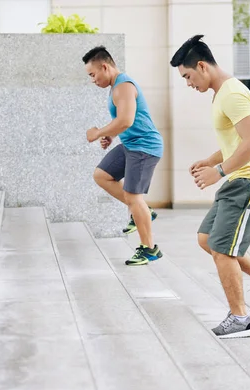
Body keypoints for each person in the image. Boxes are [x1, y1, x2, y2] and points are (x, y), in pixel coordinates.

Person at [170, 35, 250, 338]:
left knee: (222, 250)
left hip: (249, 182)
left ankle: (241, 319)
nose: (188, 83)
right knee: (207, 239)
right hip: (238, 180)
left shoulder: (233, 93)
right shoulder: (221, 93)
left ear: (201, 66)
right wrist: (210, 161)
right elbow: (235, 141)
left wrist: (218, 171)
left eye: (187, 76)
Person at [83, 45, 163, 266]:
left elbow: (126, 120)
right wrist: (110, 135)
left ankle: (149, 250)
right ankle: (144, 211)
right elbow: (126, 122)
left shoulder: (123, 86)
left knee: (134, 197)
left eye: (93, 74)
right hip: (130, 144)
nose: (92, 79)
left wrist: (98, 133)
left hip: (144, 147)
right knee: (102, 175)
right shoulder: (115, 86)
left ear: (105, 67)